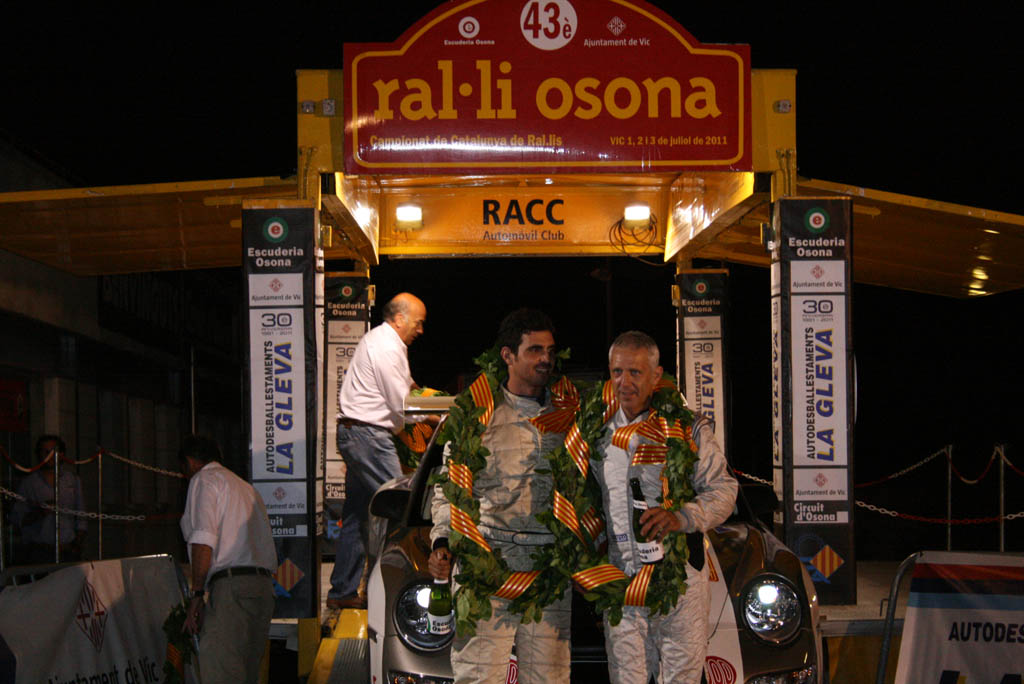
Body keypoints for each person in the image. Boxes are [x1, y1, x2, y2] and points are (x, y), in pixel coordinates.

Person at [428, 308, 571, 684]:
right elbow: (449, 491)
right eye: (534, 350)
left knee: (551, 680)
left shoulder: (569, 415)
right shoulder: (478, 415)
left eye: (550, 351)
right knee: (479, 679)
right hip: (487, 566)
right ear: (508, 355)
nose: (545, 359)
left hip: (549, 571)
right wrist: (441, 541)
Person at [592, 331, 738, 684]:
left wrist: (680, 517)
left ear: (656, 375)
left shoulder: (687, 428)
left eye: (635, 372)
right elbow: (589, 501)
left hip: (681, 582)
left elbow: (724, 490)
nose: (624, 382)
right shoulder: (596, 432)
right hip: (623, 582)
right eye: (616, 372)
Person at [330, 292, 432, 609]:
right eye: (418, 323)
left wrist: (428, 398)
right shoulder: (387, 346)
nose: (421, 330)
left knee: (360, 515)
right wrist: (438, 414)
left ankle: (343, 592)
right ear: (400, 319)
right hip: (368, 437)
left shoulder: (384, 342)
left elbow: (408, 386)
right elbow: (402, 403)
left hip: (358, 435)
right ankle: (394, 591)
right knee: (404, 507)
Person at [179, 435, 276, 684]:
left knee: (218, 669)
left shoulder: (204, 480)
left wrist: (197, 594)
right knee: (246, 673)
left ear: (190, 462)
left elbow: (203, 540)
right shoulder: (244, 487)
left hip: (232, 589)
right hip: (262, 588)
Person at [11, 434, 87, 564]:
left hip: (68, 550)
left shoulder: (72, 480)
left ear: (61, 454)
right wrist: (40, 512)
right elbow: (18, 519)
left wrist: (76, 544)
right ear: (39, 454)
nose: (49, 456)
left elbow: (81, 516)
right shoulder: (29, 483)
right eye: (45, 452)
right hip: (39, 551)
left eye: (53, 451)